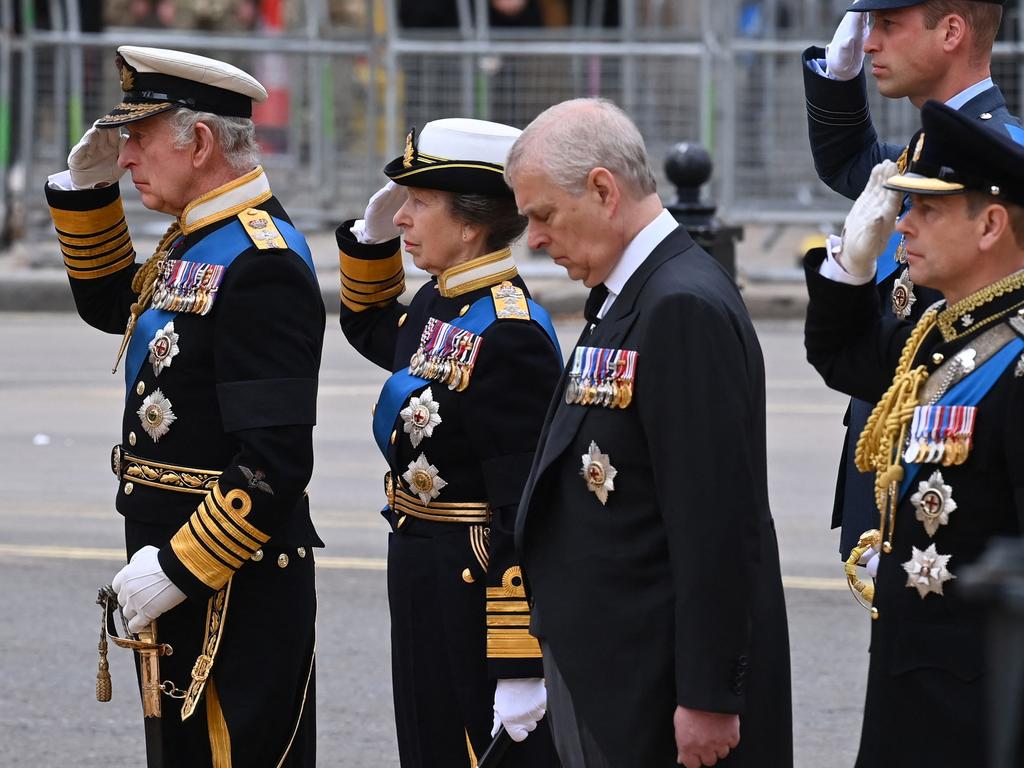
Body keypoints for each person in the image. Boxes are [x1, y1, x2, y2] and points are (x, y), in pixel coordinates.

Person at [44, 46, 324, 766]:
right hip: (177, 563)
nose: (126, 156)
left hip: (229, 576)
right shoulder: (201, 234)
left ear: (199, 142)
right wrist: (86, 191)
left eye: (136, 139)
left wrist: (180, 565)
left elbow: (274, 460)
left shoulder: (260, 261)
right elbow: (118, 305)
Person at [508, 98, 793, 768]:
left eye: (543, 214)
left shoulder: (679, 306)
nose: (535, 240)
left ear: (603, 190)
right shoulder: (630, 296)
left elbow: (717, 522)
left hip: (658, 692)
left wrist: (709, 695)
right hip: (616, 674)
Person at [804, 99, 1024, 765]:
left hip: (982, 714)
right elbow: (844, 359)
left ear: (990, 225)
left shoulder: (1013, 359)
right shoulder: (946, 334)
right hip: (921, 692)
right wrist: (850, 265)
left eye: (927, 210)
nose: (904, 225)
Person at [337, 118, 562, 767]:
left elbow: (525, 508)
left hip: (471, 580)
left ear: (470, 225)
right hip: (420, 563)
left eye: (418, 203)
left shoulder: (509, 330)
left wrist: (519, 661)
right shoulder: (442, 301)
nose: (403, 218)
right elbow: (371, 325)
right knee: (427, 742)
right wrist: (370, 238)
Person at [802, 0, 1019, 560]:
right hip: (899, 460)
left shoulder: (1002, 161)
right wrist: (839, 76)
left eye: (888, 25)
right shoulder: (928, 150)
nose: (870, 42)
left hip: (964, 480)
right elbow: (852, 163)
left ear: (951, 31)